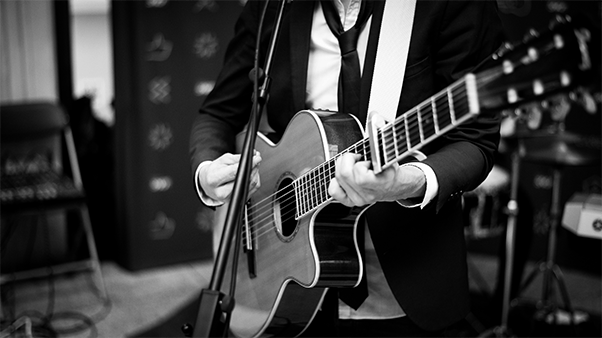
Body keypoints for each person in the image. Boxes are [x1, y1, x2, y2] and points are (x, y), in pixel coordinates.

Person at [189, 0, 505, 337]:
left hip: (404, 279)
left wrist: (406, 182)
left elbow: (476, 139)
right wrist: (207, 172)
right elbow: (218, 113)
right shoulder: (275, 5)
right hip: (285, 282)